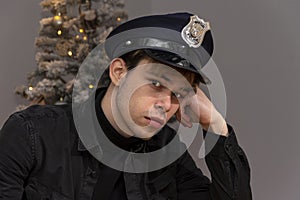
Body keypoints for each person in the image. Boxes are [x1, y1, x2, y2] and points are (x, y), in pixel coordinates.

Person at [0, 12, 252, 200]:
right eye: (156, 83)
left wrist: (214, 123)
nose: (166, 104)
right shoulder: (31, 134)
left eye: (178, 93)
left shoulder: (166, 153)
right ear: (119, 72)